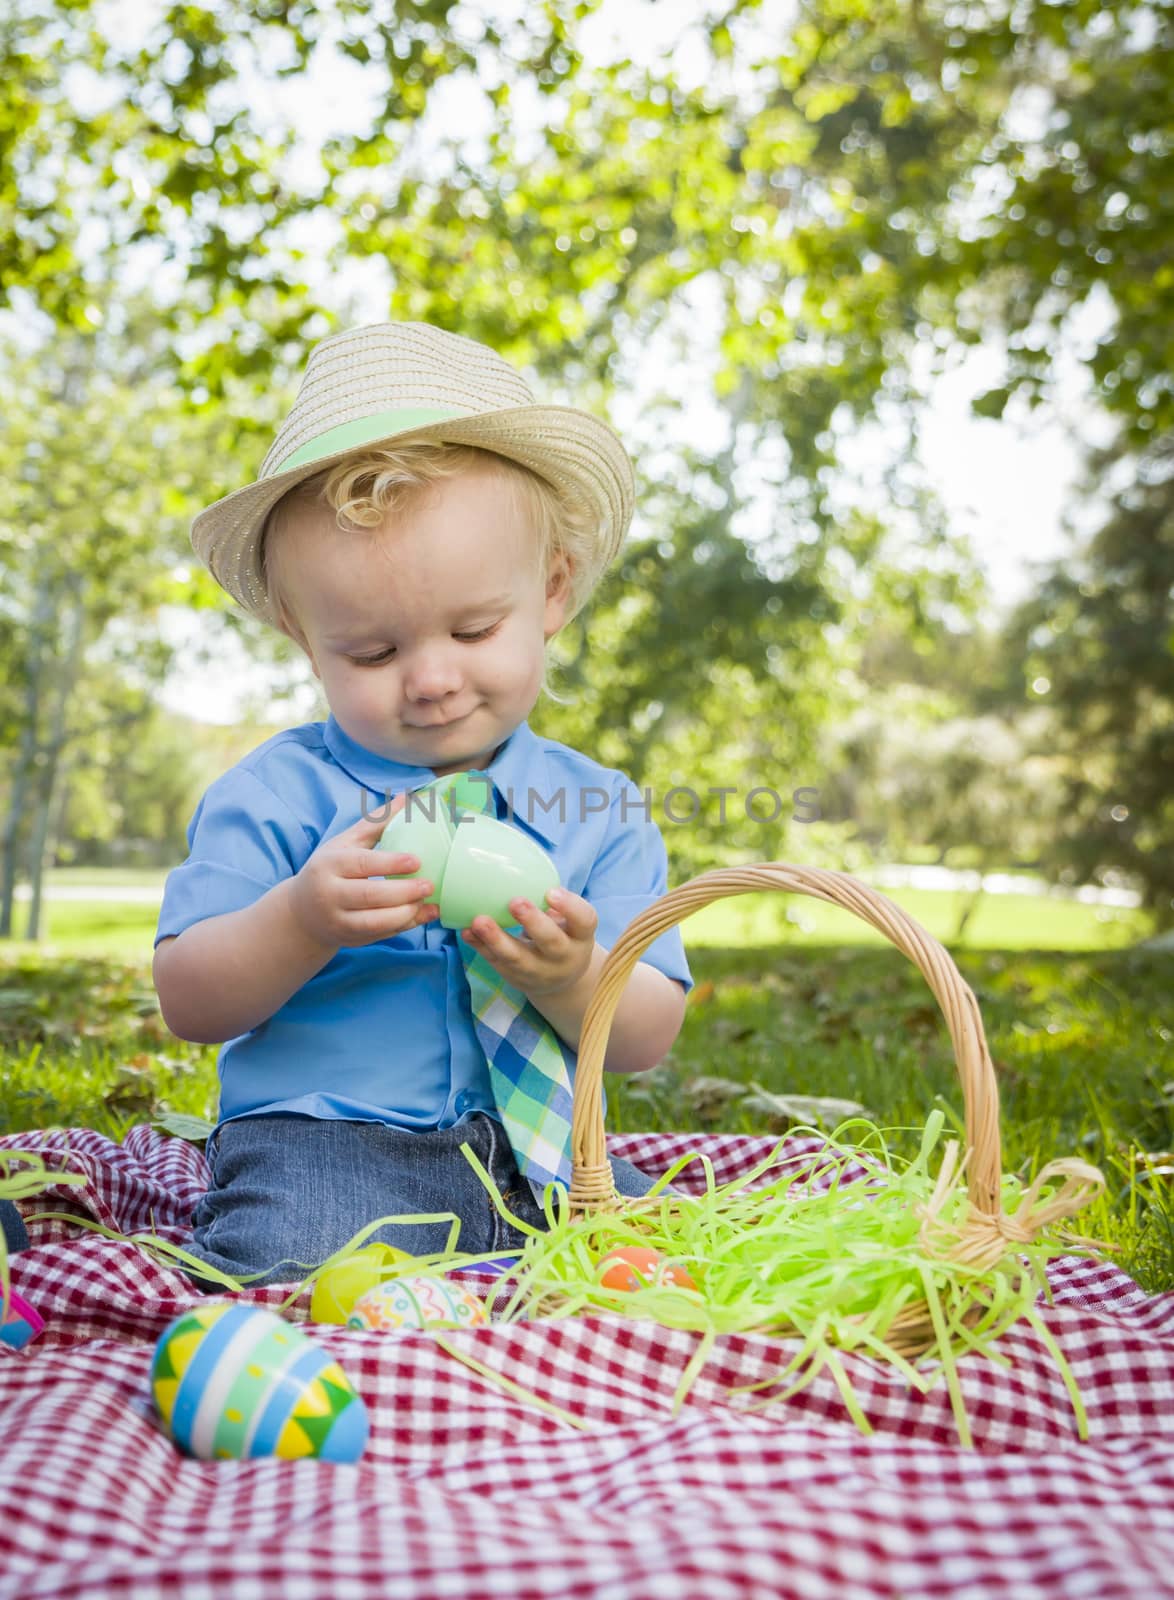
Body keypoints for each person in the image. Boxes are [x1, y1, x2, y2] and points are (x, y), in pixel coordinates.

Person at [154, 321, 693, 1288]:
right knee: (290, 1272)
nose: (433, 680)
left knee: (678, 1261)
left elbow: (646, 1038)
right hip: (332, 1146)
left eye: (475, 627)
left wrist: (573, 975)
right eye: (373, 652)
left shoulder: (599, 808)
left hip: (549, 1160)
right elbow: (189, 1000)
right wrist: (302, 919)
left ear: (554, 592)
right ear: (302, 636)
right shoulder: (275, 795)